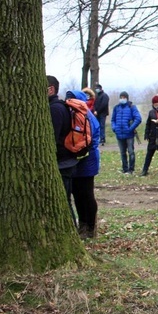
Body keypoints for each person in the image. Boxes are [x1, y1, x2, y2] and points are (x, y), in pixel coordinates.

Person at [68, 90, 101, 238]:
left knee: (87, 194)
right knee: (77, 194)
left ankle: (91, 227)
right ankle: (82, 225)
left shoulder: (88, 116)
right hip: (76, 159)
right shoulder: (73, 115)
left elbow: (93, 138)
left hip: (87, 159)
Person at [47, 75, 78, 221]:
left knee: (64, 202)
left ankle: (72, 230)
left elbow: (52, 137)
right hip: (66, 161)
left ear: (51, 89)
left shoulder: (55, 109)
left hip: (62, 163)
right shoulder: (60, 106)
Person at [111, 91, 142, 174]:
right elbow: (113, 120)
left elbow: (138, 119)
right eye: (121, 97)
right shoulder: (116, 108)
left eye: (124, 97)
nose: (122, 99)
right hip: (119, 134)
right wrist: (114, 128)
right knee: (122, 152)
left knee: (131, 152)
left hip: (129, 135)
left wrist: (130, 129)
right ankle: (125, 169)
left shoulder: (132, 107)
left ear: (127, 98)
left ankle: (131, 169)